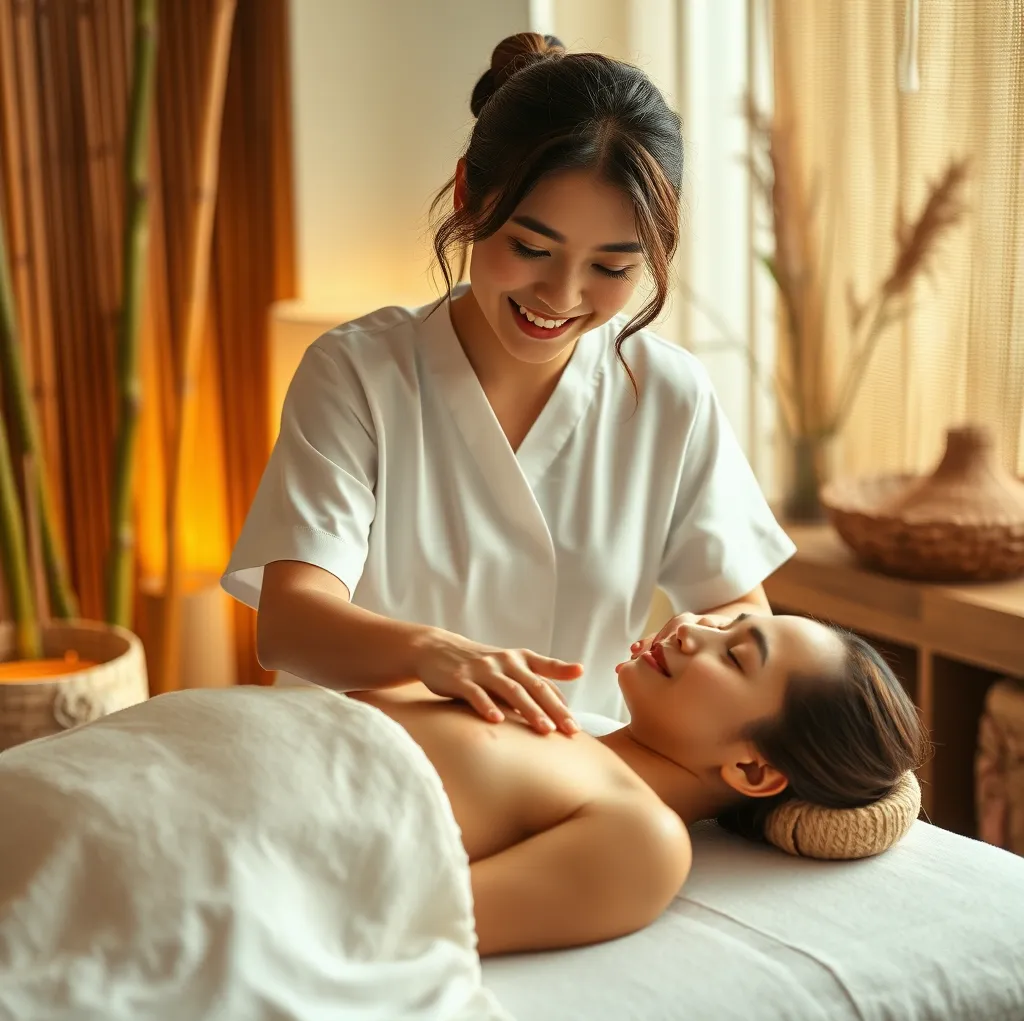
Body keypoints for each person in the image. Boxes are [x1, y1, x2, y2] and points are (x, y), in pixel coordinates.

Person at [222, 32, 797, 730]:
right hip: (359, 762)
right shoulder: (358, 373)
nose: (561, 294)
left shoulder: (668, 394)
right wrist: (437, 655)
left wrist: (698, 644)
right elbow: (291, 623)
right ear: (469, 194)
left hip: (565, 771)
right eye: (530, 247)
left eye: (611, 268)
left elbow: (735, 608)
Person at [347, 611, 929, 955]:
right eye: (724, 624)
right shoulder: (539, 707)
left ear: (753, 770)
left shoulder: (642, 838)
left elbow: (396, 921)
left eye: (734, 657)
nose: (690, 628)